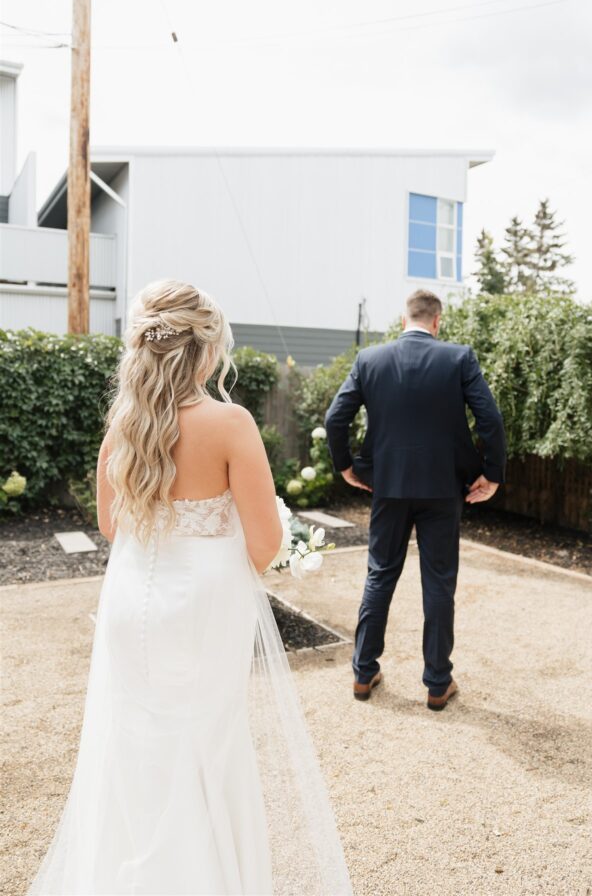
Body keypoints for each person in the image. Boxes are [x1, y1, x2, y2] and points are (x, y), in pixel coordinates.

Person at [27, 279, 352, 896]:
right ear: (205, 351)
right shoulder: (230, 423)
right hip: (204, 604)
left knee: (135, 748)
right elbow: (265, 543)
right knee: (205, 747)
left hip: (131, 599)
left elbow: (109, 523)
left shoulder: (122, 423)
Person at [325, 288, 506, 711]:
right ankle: (438, 683)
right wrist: (492, 474)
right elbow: (490, 419)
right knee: (439, 581)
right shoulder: (459, 357)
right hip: (444, 489)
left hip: (387, 487)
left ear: (403, 319)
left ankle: (364, 672)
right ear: (437, 321)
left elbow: (336, 418)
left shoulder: (370, 359)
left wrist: (346, 466)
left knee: (380, 574)